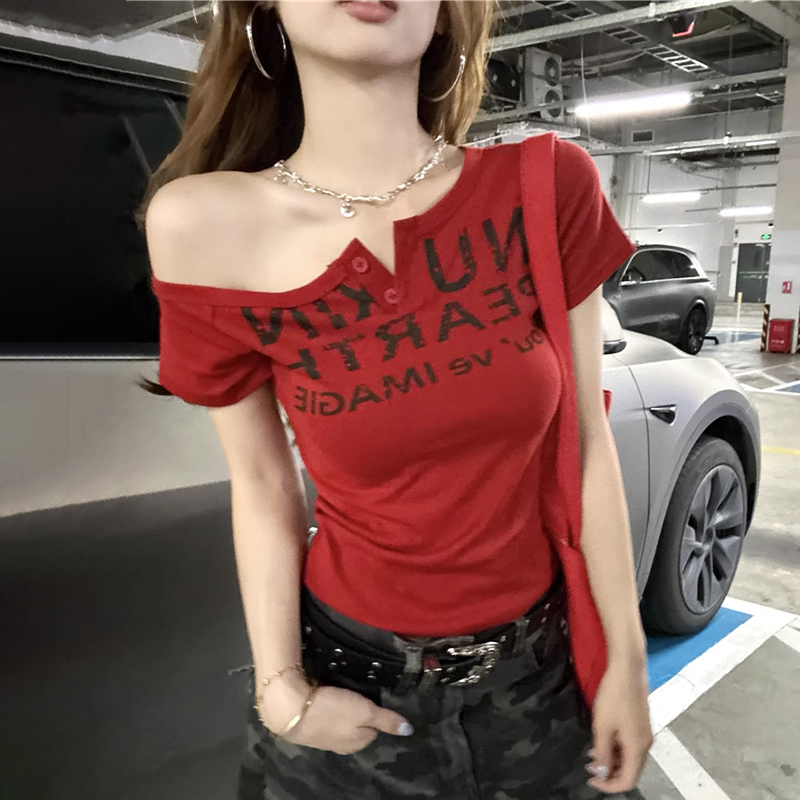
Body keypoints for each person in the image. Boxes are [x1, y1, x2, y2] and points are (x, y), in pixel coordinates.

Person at [140, 1, 653, 798]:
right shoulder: (202, 224)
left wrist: (626, 660)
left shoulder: (546, 186)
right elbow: (264, 482)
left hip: (540, 686)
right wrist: (281, 690)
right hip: (351, 688)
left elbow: (587, 440)